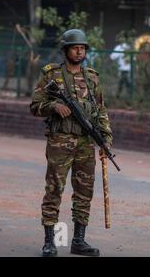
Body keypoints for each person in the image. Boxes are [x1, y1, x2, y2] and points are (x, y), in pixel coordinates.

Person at [30, 29, 113, 257]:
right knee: (55, 189)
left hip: (86, 144)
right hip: (60, 141)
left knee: (84, 192)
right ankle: (50, 242)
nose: (80, 51)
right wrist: (53, 107)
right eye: (76, 47)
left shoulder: (92, 77)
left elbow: (101, 111)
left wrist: (105, 140)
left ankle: (78, 241)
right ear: (66, 49)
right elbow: (35, 105)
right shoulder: (51, 75)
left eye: (83, 48)